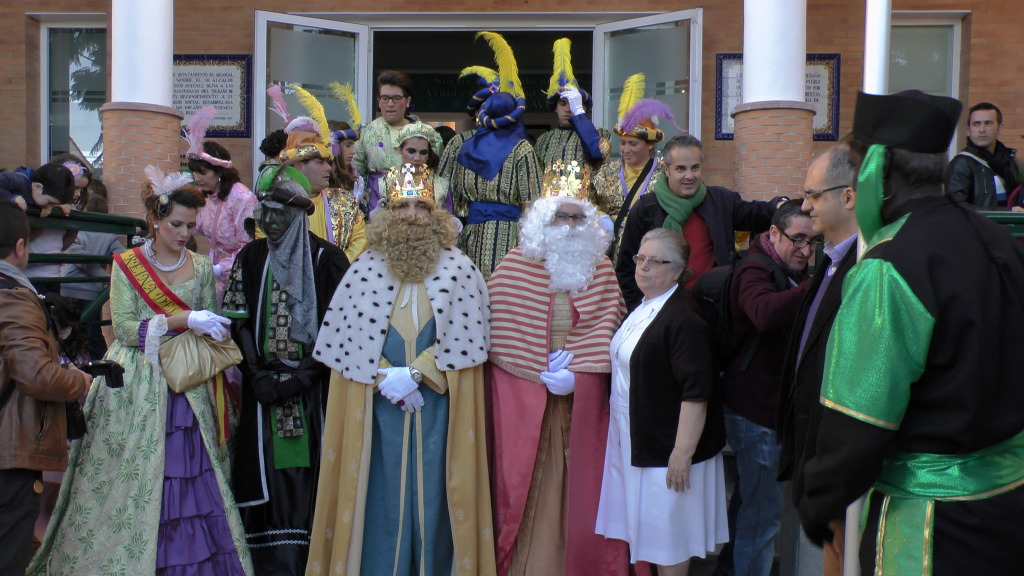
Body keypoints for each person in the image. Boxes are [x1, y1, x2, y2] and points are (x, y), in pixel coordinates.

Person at [798, 90, 1024, 574]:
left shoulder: (889, 266)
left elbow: (858, 423)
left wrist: (818, 501)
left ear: (876, 169)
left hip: (929, 527)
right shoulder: (999, 240)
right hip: (1009, 507)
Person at [28, 166, 252, 575]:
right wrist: (184, 319)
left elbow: (208, 320)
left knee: (194, 474)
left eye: (190, 225)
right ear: (155, 220)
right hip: (137, 379)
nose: (183, 233)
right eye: (175, 224)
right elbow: (127, 330)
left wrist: (209, 324)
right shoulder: (126, 263)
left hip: (187, 378)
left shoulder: (202, 267)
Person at [306, 166, 496, 576]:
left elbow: (470, 335)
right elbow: (347, 338)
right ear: (387, 214)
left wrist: (416, 374)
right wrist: (384, 377)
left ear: (435, 214)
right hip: (378, 407)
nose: (411, 214)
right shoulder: (363, 268)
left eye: (420, 206)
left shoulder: (460, 268)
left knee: (437, 496)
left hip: (438, 405)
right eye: (402, 205)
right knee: (378, 494)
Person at [487, 171, 629, 576]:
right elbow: (499, 327)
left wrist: (581, 374)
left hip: (581, 407)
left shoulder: (601, 271)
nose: (569, 227)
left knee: (583, 488)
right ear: (541, 224)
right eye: (560, 218)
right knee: (526, 484)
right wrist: (534, 363)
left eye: (576, 218)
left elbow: (613, 334)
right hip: (527, 402)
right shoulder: (514, 266)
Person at [220, 165, 349, 576]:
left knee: (309, 473)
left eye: (278, 212)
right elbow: (238, 319)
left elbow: (340, 327)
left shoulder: (326, 258)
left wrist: (304, 377)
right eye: (264, 210)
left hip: (312, 390)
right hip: (262, 389)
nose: (267, 220)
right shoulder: (251, 255)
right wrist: (255, 373)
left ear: (298, 214)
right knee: (263, 476)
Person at [597, 227, 728, 576]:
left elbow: (696, 392)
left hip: (668, 448)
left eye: (655, 262)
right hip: (639, 437)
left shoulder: (685, 318)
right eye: (640, 258)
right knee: (652, 535)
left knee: (669, 541)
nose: (643, 267)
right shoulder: (647, 305)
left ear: (678, 270)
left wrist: (681, 455)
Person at [715, 199, 813, 576]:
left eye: (812, 241)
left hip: (766, 410)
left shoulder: (788, 270)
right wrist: (821, 284)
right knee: (762, 518)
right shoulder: (754, 269)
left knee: (749, 508)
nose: (806, 250)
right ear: (773, 233)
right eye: (798, 239)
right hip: (753, 413)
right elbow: (764, 313)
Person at [775, 143, 858, 576]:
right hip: (808, 450)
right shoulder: (826, 260)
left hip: (834, 463)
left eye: (813, 196)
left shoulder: (866, 268)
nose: (805, 207)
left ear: (848, 196)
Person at [0, 202, 91, 576]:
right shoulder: (14, 296)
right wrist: (79, 381)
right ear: (21, 246)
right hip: (10, 451)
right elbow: (37, 375)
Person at [616, 134, 780, 309]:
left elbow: (756, 213)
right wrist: (639, 312)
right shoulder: (646, 208)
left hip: (713, 309)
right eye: (681, 169)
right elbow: (626, 269)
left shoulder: (721, 200)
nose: (689, 176)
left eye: (695, 168)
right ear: (666, 169)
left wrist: (780, 204)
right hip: (660, 311)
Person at [449, 31, 542, 279]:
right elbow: (533, 201)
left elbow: (449, 193)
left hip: (469, 233)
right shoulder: (522, 149)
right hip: (509, 237)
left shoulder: (464, 144)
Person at [278, 84, 368, 264]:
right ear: (298, 166)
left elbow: (361, 239)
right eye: (320, 162)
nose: (328, 168)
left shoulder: (344, 201)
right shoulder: (275, 205)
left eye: (328, 162)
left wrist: (334, 267)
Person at [185, 108, 258, 304]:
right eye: (194, 172)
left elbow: (249, 246)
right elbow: (193, 224)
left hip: (240, 275)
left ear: (219, 171)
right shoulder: (206, 196)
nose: (197, 178)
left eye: (202, 172)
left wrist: (221, 268)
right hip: (213, 275)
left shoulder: (242, 198)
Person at [591, 73, 667, 258]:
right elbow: (589, 200)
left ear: (649, 145)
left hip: (649, 247)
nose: (626, 150)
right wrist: (601, 217)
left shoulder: (665, 173)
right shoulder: (607, 171)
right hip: (612, 249)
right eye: (623, 143)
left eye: (633, 144)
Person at [535, 39, 612, 215]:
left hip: (584, 213)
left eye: (575, 104)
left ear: (584, 108)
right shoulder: (543, 140)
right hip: (550, 215)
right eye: (563, 103)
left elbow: (597, 153)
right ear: (555, 107)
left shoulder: (600, 134)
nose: (568, 108)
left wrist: (579, 116)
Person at [355, 70, 443, 212]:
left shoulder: (429, 135)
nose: (390, 104)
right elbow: (358, 176)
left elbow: (437, 176)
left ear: (407, 101)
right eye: (385, 98)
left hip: (418, 208)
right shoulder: (367, 132)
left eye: (396, 98)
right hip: (377, 207)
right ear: (378, 101)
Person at [60, 193, 126, 360]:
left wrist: (102, 276)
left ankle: (70, 365)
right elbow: (122, 256)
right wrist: (105, 278)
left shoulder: (76, 232)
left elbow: (78, 257)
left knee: (69, 332)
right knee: (93, 333)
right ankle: (103, 369)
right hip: (93, 294)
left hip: (69, 289)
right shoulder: (109, 236)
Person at [945, 102, 1021, 208]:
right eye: (976, 124)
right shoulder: (961, 164)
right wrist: (1008, 212)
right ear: (968, 130)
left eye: (988, 123)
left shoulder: (1009, 161)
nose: (982, 130)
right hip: (978, 225)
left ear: (1000, 128)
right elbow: (955, 208)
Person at [380, 122, 453, 214]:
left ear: (428, 154)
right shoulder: (383, 184)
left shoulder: (442, 186)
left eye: (423, 152)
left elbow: (447, 220)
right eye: (411, 151)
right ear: (400, 150)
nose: (417, 158)